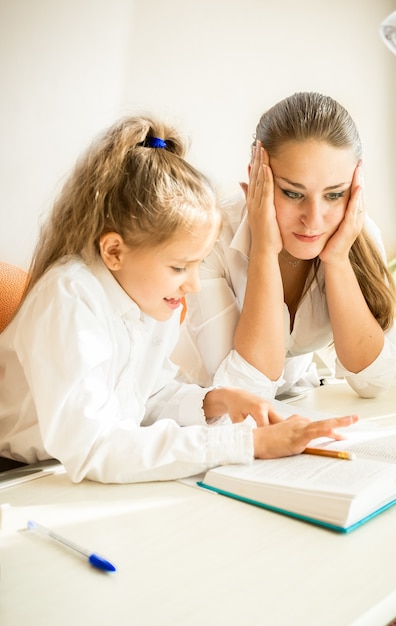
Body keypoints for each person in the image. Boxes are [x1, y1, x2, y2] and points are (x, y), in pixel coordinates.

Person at [0, 115, 358, 484]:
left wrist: (217, 401)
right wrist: (246, 443)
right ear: (113, 251)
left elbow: (144, 397)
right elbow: (95, 448)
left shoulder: (151, 298)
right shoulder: (69, 297)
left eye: (197, 265)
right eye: (178, 267)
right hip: (21, 477)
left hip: (63, 470)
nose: (193, 285)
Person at [173, 92, 396, 399]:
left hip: (294, 406)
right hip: (197, 418)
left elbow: (374, 382)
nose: (314, 220)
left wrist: (337, 261)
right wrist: (264, 251)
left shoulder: (357, 232)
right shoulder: (212, 238)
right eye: (293, 193)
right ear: (255, 178)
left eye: (334, 194)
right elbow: (240, 393)